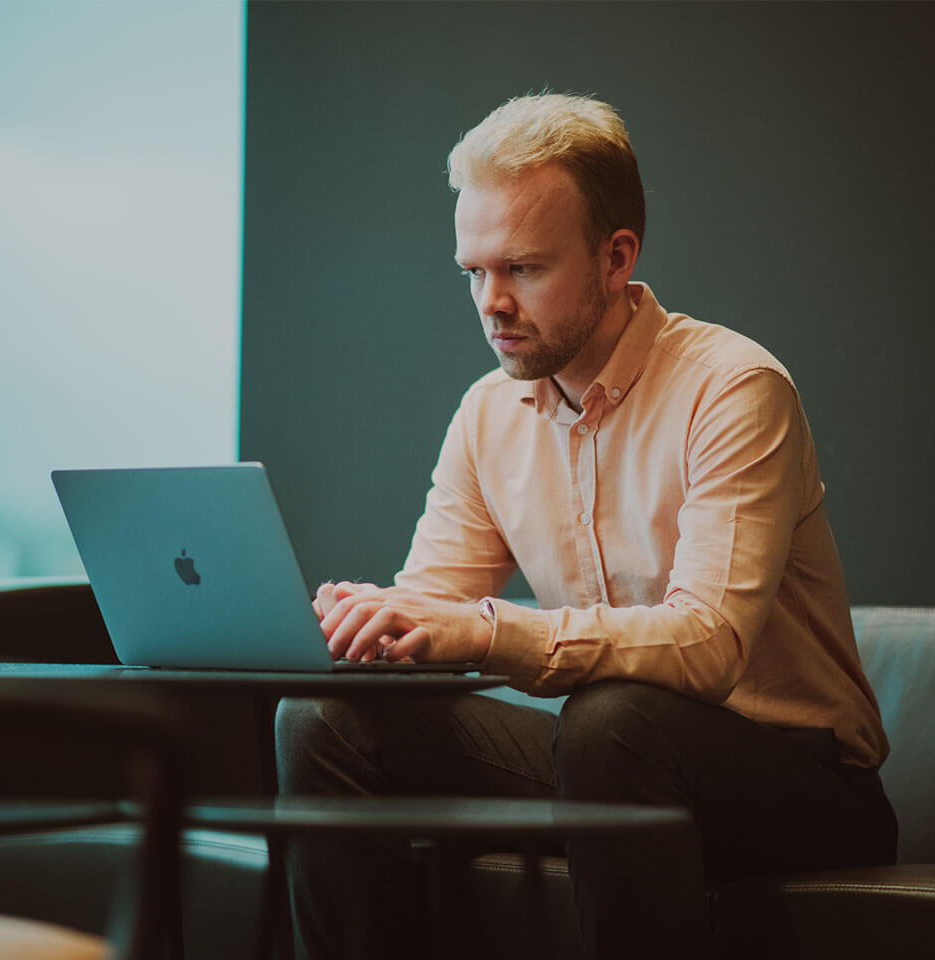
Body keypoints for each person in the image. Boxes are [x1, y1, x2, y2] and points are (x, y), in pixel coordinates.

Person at [276, 93, 897, 960]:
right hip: (611, 763)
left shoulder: (735, 388)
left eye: (523, 269)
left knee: (611, 719)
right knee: (323, 719)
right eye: (473, 272)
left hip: (800, 784)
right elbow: (436, 603)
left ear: (615, 257)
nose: (491, 303)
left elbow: (708, 645)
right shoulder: (488, 414)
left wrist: (483, 632)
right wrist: (376, 626)